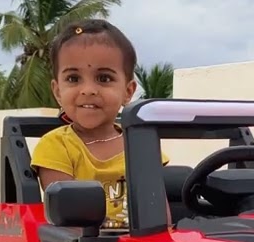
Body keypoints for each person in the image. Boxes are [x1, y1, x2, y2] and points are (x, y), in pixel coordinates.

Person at [30, 19, 169, 229]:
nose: (88, 90)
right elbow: (69, 223)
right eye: (73, 79)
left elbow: (162, 221)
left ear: (128, 92)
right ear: (58, 91)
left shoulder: (142, 145)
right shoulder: (56, 147)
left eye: (104, 78)